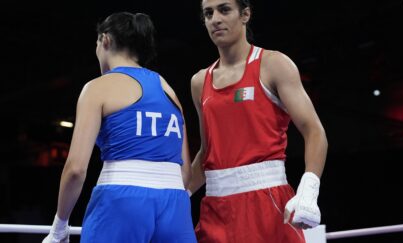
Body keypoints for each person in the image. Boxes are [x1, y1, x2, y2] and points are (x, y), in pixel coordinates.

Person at [43, 12, 197, 243]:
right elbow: (185, 172)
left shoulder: (98, 88)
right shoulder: (169, 91)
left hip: (121, 200)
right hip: (175, 205)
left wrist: (59, 227)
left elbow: (75, 169)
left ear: (104, 40)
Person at [187, 0, 328, 242]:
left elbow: (314, 131)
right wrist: (178, 194)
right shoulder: (200, 82)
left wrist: (309, 189)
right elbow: (207, 152)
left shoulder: (273, 65)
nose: (215, 19)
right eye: (208, 13)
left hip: (267, 203)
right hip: (216, 210)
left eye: (224, 9)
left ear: (245, 14)